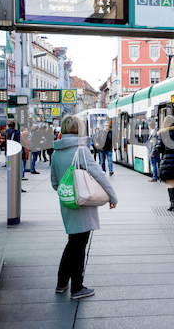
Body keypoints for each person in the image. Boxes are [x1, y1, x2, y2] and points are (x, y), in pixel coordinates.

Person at [50, 115, 117, 300]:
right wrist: (112, 196)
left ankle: (62, 283)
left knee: (73, 242)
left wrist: (69, 194)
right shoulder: (81, 150)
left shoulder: (56, 153)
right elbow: (100, 175)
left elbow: (55, 183)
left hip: (67, 204)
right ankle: (77, 288)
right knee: (79, 246)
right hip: (83, 203)